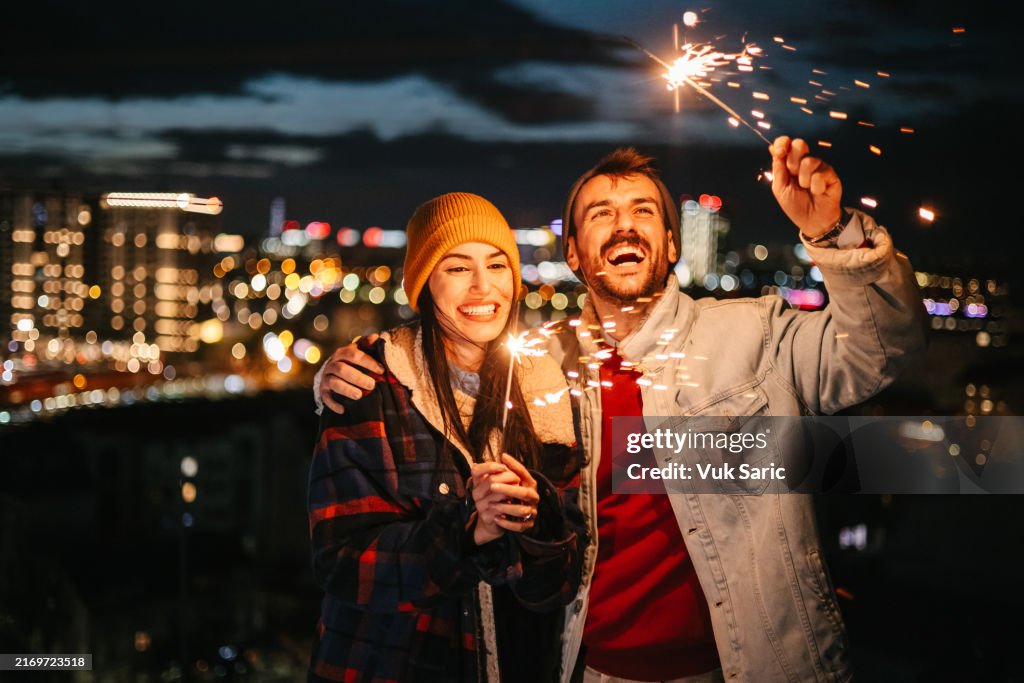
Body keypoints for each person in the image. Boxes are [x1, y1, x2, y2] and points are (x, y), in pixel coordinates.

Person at [316, 138, 927, 682]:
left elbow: (880, 350)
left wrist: (832, 235)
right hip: (587, 666)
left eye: (643, 212)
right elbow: (445, 367)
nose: (624, 226)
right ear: (576, 254)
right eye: (600, 214)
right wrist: (360, 359)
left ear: (670, 245)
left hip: (748, 663)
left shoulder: (756, 334)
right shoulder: (538, 364)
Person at [307, 192, 585, 683]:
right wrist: (467, 532)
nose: (483, 287)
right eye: (457, 268)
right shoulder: (372, 382)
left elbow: (555, 588)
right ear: (425, 284)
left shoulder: (544, 391)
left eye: (497, 265)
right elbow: (343, 563)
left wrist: (537, 519)